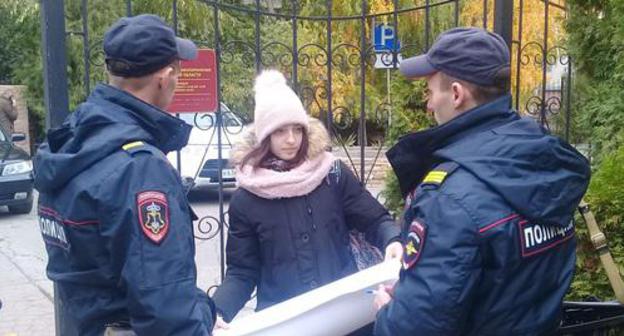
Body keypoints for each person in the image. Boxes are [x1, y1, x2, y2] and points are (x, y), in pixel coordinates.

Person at [373, 27, 591, 335]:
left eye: (431, 92)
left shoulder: (449, 197)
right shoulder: (543, 159)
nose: (429, 104)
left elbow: (414, 329)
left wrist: (387, 314)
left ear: (457, 94)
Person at [33, 14, 215, 335]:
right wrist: (202, 314)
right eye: (178, 71)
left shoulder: (72, 144)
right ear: (165, 76)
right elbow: (167, 315)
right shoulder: (140, 168)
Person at [211, 70, 403, 328]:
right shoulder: (247, 198)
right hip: (289, 321)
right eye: (280, 131)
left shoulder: (331, 174)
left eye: (297, 129)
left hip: (346, 315)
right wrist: (218, 310)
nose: (291, 139)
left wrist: (392, 238)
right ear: (264, 136)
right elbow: (242, 271)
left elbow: (375, 219)